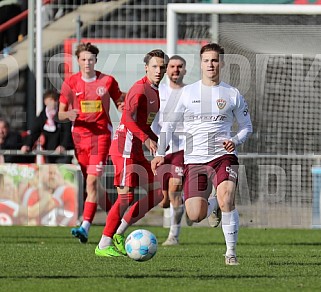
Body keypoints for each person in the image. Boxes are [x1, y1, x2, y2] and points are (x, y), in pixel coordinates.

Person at [151, 43, 253, 265]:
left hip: (223, 157)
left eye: (215, 60)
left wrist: (234, 140)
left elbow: (247, 127)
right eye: (206, 60)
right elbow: (168, 126)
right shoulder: (187, 93)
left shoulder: (232, 93)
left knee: (228, 198)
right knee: (195, 215)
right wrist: (160, 153)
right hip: (194, 160)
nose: (211, 64)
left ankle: (231, 253)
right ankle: (213, 205)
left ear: (222, 63)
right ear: (201, 63)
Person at [95, 49, 169, 257]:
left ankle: (119, 233)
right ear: (146, 67)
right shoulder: (139, 89)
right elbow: (127, 119)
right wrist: (146, 139)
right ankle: (103, 244)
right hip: (125, 148)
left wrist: (156, 140)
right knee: (126, 197)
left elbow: (143, 124)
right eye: (154, 66)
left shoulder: (155, 92)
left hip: (136, 149)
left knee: (156, 193)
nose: (158, 70)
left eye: (162, 67)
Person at [58, 42, 124, 243]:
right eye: (83, 59)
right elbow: (61, 113)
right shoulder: (71, 83)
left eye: (91, 59)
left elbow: (120, 102)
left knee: (92, 181)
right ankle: (116, 216)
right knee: (91, 185)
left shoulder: (107, 81)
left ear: (96, 60)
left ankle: (85, 226)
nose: (87, 63)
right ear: (78, 61)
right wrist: (69, 113)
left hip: (101, 137)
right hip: (79, 138)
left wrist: (127, 110)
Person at [151, 55, 188, 246]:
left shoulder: (190, 93)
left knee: (175, 187)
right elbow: (153, 119)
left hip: (182, 148)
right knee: (163, 201)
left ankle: (173, 234)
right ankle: (183, 204)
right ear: (167, 70)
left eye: (179, 66)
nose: (175, 69)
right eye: (172, 66)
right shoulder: (158, 92)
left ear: (185, 70)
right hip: (161, 148)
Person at [21, 89, 74, 164]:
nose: (51, 103)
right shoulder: (43, 116)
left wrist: (63, 146)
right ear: (45, 102)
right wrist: (27, 145)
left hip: (63, 154)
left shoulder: (63, 115)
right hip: (49, 153)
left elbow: (66, 132)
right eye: (49, 100)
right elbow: (34, 132)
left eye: (54, 100)